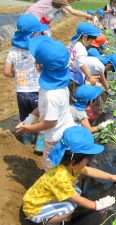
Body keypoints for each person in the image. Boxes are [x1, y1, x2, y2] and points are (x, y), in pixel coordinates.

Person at [22, 126, 116, 224]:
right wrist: (97, 205)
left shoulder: (69, 166)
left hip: (39, 199)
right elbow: (79, 201)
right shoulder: (60, 177)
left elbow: (90, 171)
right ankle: (46, 222)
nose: (88, 162)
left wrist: (111, 176)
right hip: (33, 209)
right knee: (71, 207)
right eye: (87, 159)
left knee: (77, 191)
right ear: (75, 161)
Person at [16, 35, 75, 171]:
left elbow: (50, 122)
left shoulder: (50, 95)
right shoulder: (57, 85)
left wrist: (29, 129)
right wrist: (29, 119)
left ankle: (55, 190)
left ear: (38, 66)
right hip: (65, 131)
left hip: (55, 138)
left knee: (51, 167)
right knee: (62, 166)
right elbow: (42, 107)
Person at [3, 14, 47, 147]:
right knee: (43, 117)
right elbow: (43, 68)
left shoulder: (12, 51)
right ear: (34, 34)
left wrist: (18, 75)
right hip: (37, 91)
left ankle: (27, 142)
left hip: (21, 92)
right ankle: (40, 145)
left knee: (25, 118)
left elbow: (6, 72)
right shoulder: (38, 50)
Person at [68, 22, 100, 103]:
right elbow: (81, 64)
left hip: (69, 73)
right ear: (85, 38)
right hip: (75, 79)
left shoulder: (72, 43)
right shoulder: (82, 49)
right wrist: (90, 77)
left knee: (69, 94)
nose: (91, 43)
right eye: (91, 41)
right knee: (75, 97)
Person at [26, 0, 98, 26]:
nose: (73, 1)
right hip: (34, 15)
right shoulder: (62, 0)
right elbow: (73, 11)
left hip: (36, 14)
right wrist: (90, 16)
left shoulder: (62, 2)